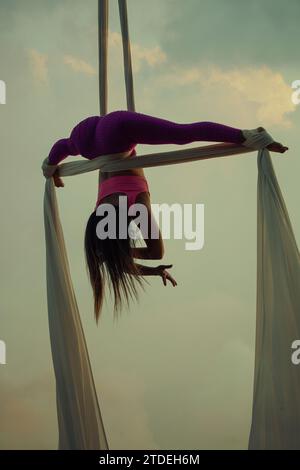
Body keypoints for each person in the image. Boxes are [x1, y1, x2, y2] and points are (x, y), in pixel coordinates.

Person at [46, 110, 288, 321]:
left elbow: (155, 252)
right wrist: (51, 169)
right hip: (87, 141)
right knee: (65, 146)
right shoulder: (101, 214)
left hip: (116, 132)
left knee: (182, 134)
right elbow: (60, 147)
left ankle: (252, 135)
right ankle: (46, 166)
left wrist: (142, 262)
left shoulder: (138, 207)